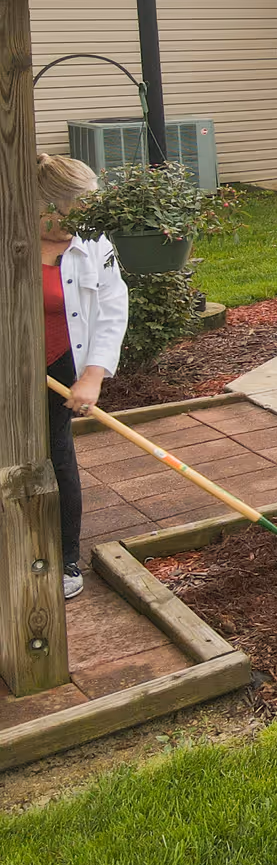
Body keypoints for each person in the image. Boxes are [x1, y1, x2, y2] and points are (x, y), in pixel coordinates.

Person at [39, 154, 129, 600]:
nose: (83, 223)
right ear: (42, 206)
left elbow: (113, 307)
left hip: (61, 365)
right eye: (75, 212)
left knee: (57, 454)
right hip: (12, 368)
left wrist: (92, 375)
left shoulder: (94, 242)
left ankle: (64, 557)